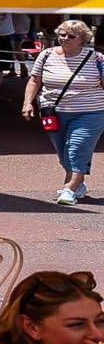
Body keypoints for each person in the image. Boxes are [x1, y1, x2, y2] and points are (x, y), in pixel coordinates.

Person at [22, 18, 104, 204]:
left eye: (71, 36)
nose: (65, 38)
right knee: (63, 151)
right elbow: (35, 81)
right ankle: (78, 183)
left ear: (83, 39)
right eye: (62, 34)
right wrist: (27, 103)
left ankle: (68, 189)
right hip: (53, 111)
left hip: (91, 112)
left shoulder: (97, 59)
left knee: (77, 147)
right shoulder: (46, 55)